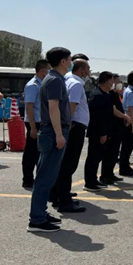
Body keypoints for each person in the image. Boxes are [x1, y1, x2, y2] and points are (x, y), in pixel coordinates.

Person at [27, 47, 72, 233]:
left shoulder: (54, 78)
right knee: (45, 178)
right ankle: (37, 219)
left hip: (52, 131)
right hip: (53, 132)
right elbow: (54, 108)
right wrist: (59, 134)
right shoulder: (54, 80)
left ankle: (40, 213)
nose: (71, 62)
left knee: (48, 176)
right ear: (63, 61)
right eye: (69, 59)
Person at [50, 58, 90, 212]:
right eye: (87, 68)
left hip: (70, 126)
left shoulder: (67, 80)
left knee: (63, 165)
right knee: (68, 165)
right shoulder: (76, 83)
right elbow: (71, 107)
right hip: (74, 127)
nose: (89, 72)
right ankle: (64, 201)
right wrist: (68, 127)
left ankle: (58, 194)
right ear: (81, 70)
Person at [21, 60, 50, 187]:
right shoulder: (33, 85)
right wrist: (33, 128)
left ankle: (37, 178)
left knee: (38, 153)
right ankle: (27, 179)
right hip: (34, 123)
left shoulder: (42, 84)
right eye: (48, 70)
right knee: (31, 153)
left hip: (41, 122)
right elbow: (29, 107)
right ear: (42, 70)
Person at [83, 72, 114, 191]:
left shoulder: (105, 94)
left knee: (98, 157)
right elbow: (97, 117)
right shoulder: (97, 96)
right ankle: (89, 183)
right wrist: (103, 133)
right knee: (93, 157)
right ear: (106, 82)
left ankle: (94, 179)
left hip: (104, 131)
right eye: (111, 81)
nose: (112, 84)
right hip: (98, 132)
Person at [100, 74, 132, 185]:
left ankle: (110, 174)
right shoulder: (110, 94)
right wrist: (125, 116)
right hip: (112, 128)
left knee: (114, 154)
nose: (120, 84)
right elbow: (114, 110)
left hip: (118, 128)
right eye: (117, 82)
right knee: (109, 153)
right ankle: (105, 176)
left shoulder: (115, 94)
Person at [119, 72, 133, 176]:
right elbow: (130, 109)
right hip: (131, 120)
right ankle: (124, 168)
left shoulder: (128, 90)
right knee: (127, 145)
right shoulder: (131, 93)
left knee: (128, 145)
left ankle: (126, 165)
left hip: (130, 120)